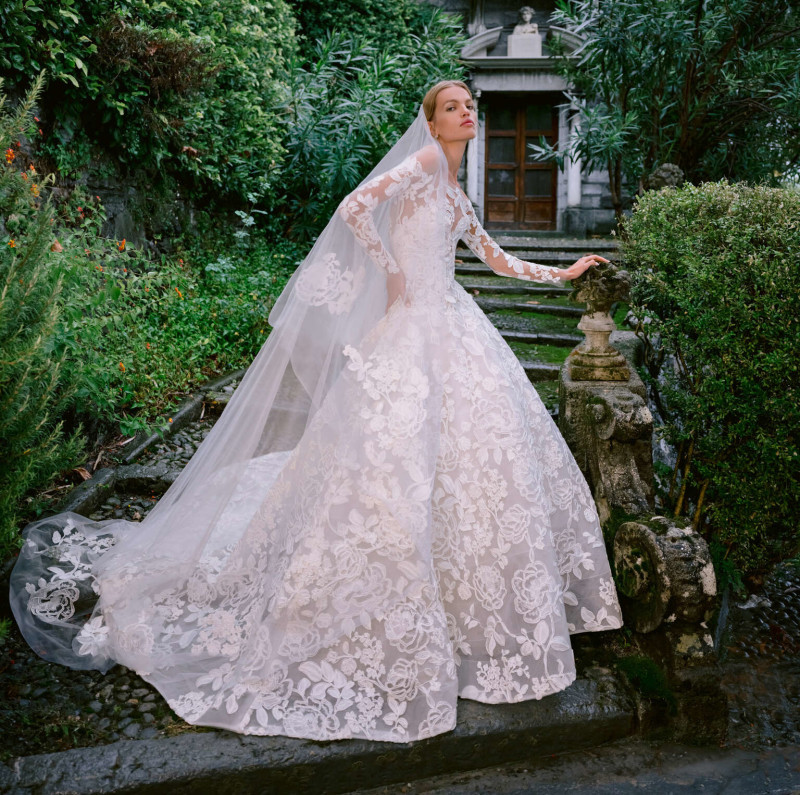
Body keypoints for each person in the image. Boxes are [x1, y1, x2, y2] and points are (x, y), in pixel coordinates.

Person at [10, 80, 622, 744]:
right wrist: (390, 271)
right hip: (411, 327)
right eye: (453, 106)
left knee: (474, 467)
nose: (466, 112)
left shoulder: (453, 190)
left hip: (455, 329)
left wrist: (559, 275)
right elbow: (356, 206)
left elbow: (493, 257)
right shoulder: (420, 166)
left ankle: (472, 612)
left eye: (469, 105)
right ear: (430, 123)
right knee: (387, 466)